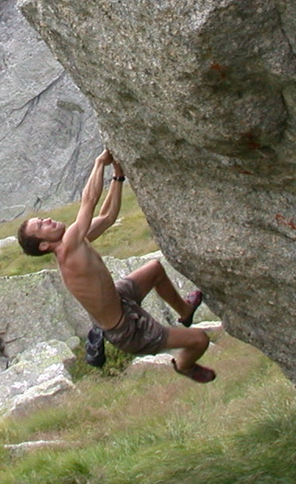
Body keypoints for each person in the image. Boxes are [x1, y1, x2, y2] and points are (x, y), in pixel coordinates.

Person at [16, 148, 215, 382]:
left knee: (154, 269)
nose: (48, 220)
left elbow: (109, 216)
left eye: (42, 219)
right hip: (127, 330)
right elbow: (89, 200)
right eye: (42, 226)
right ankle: (184, 365)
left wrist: (118, 177)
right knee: (200, 340)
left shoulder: (75, 240)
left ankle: (185, 311)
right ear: (43, 246)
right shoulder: (68, 248)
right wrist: (100, 161)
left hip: (119, 299)